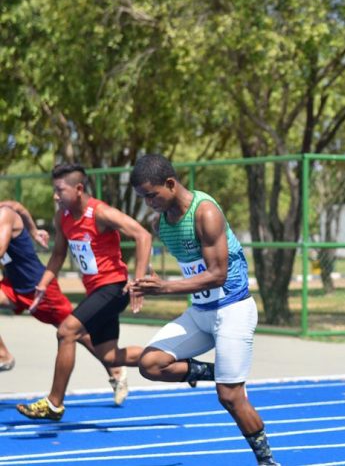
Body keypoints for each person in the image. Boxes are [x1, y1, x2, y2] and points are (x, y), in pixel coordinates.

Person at [129, 154, 278, 466]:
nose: (149, 204)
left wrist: (164, 287)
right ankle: (213, 372)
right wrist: (143, 282)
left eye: (152, 195)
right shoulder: (161, 223)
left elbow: (217, 274)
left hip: (232, 309)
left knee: (229, 397)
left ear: (170, 183)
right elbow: (190, 269)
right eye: (142, 198)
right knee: (150, 364)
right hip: (200, 312)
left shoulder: (205, 212)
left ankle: (267, 461)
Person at [16, 164, 152, 420]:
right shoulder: (63, 217)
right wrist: (43, 284)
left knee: (67, 331)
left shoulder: (100, 212)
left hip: (114, 287)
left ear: (78, 189)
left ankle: (54, 403)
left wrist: (139, 280)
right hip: (96, 291)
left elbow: (142, 235)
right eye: (54, 190)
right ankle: (178, 362)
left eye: (60, 190)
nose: (55, 196)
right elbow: (58, 255)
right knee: (111, 356)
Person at [0, 200, 129, 404]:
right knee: (73, 331)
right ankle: (4, 355)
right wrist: (34, 231)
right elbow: (21, 207)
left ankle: (116, 371)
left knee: (76, 332)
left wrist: (31, 231)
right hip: (13, 286)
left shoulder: (4, 215)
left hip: (38, 287)